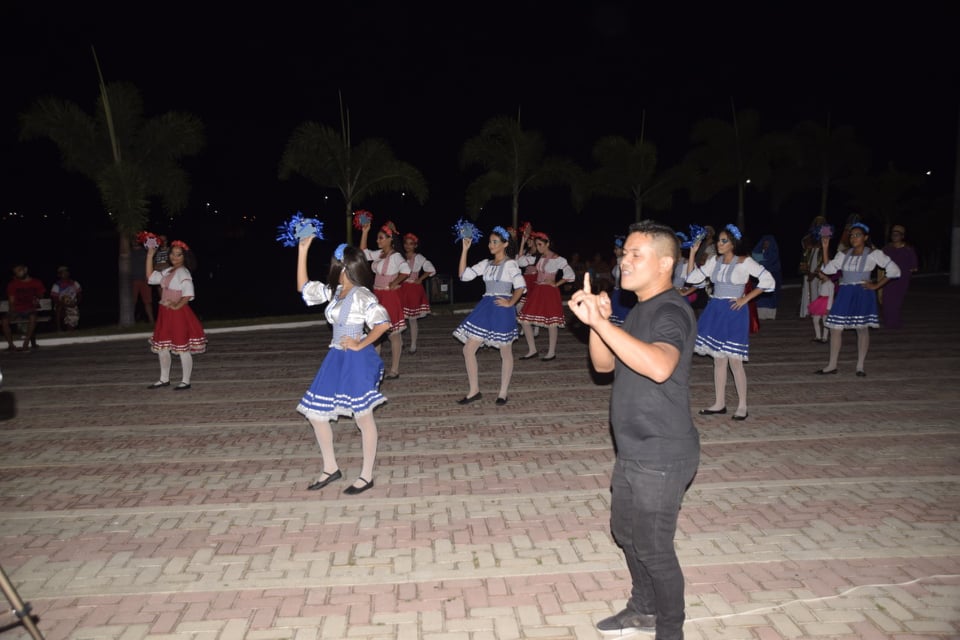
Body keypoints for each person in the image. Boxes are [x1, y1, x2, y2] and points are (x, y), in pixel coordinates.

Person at [568, 220, 699, 640]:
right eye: (624, 253)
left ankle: (670, 630)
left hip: (662, 452)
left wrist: (606, 325)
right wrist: (599, 323)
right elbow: (604, 365)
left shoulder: (671, 310)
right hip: (634, 449)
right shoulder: (640, 309)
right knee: (626, 533)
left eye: (636, 254)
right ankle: (643, 609)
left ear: (665, 263)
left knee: (655, 549)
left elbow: (660, 366)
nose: (624, 261)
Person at [296, 238, 390, 495]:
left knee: (363, 416)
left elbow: (383, 323)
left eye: (334, 264)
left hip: (356, 359)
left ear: (343, 267)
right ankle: (330, 468)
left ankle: (366, 475)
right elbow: (304, 288)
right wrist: (302, 250)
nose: (331, 268)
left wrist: (360, 344)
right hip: (336, 356)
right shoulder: (335, 291)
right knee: (316, 413)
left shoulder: (361, 294)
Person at [685, 224, 775, 420]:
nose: (719, 244)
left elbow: (768, 280)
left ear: (733, 243)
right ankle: (719, 403)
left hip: (734, 312)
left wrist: (745, 299)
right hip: (715, 310)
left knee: (735, 360)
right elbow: (692, 278)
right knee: (718, 360)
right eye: (719, 240)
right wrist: (692, 253)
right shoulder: (714, 261)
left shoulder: (744, 262)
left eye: (723, 241)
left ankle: (742, 405)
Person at [453, 225, 526, 405]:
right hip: (486, 307)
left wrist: (510, 302)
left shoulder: (510, 264)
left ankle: (503, 392)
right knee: (468, 349)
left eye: (495, 242)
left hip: (502, 309)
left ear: (505, 244)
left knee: (505, 351)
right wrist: (465, 250)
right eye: (490, 242)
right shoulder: (486, 264)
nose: (490, 245)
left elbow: (521, 286)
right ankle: (474, 391)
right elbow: (463, 276)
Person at [815, 222, 900, 376]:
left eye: (857, 235)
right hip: (845, 293)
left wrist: (876, 285)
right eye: (851, 235)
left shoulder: (873, 254)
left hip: (862, 293)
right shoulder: (844, 254)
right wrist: (825, 248)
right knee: (835, 328)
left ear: (865, 237)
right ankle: (832, 365)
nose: (853, 238)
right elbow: (828, 269)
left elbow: (894, 270)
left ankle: (860, 366)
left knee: (861, 328)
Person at [146, 240, 207, 390]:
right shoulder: (168, 270)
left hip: (177, 314)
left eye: (179, 255)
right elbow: (150, 278)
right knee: (163, 347)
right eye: (173, 254)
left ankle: (186, 381)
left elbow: (188, 293)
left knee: (182, 347)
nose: (174, 257)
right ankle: (164, 379)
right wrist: (150, 255)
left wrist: (176, 306)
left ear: (184, 257)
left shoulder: (183, 272)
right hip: (165, 312)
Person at [360, 220, 409, 380]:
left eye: (381, 238)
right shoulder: (380, 254)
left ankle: (394, 369)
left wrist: (394, 282)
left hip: (389, 296)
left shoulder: (396, 256)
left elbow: (406, 271)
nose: (377, 241)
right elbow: (363, 254)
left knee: (393, 333)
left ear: (390, 239)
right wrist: (365, 232)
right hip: (377, 295)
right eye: (377, 238)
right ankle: (375, 368)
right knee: (375, 332)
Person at [517, 231, 575, 361]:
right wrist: (523, 241)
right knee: (524, 319)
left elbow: (570, 274)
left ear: (547, 243)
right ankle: (532, 350)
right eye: (537, 245)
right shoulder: (538, 258)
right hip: (538, 290)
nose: (538, 247)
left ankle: (551, 352)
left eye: (540, 244)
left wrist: (556, 283)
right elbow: (520, 262)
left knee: (552, 322)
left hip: (549, 292)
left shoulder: (557, 258)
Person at [399, 232, 436, 354]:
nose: (408, 246)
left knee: (412, 319)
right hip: (401, 288)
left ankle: (413, 345)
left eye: (411, 244)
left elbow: (430, 269)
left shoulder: (419, 258)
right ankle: (400, 343)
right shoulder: (400, 256)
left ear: (415, 245)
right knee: (399, 317)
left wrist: (420, 279)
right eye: (406, 243)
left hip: (413, 290)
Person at [880, 223, 918, 329]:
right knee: (886, 300)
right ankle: (889, 322)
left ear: (902, 236)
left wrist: (906, 273)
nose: (895, 235)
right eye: (893, 233)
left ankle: (895, 322)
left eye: (897, 233)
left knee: (897, 301)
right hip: (888, 278)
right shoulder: (886, 248)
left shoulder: (908, 249)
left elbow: (914, 267)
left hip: (902, 280)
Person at [2, 263, 46, 351]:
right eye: (15, 272)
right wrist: (12, 312)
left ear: (25, 269)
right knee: (4, 321)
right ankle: (11, 345)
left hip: (30, 309)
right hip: (16, 309)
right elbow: (11, 301)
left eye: (19, 270)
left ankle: (26, 343)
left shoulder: (36, 282)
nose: (17, 274)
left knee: (33, 317)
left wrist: (37, 296)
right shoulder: (13, 284)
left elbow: (41, 295)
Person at [798, 216, 826, 319]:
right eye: (817, 222)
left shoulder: (826, 232)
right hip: (810, 260)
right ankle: (807, 311)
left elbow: (826, 247)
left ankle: (818, 312)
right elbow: (804, 243)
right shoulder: (809, 235)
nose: (819, 223)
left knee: (820, 287)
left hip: (821, 260)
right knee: (807, 286)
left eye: (821, 222)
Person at [751, 234, 781, 320]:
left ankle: (770, 315)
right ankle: (760, 315)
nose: (766, 244)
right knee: (760, 297)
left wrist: (761, 262)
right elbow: (753, 259)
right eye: (764, 242)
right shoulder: (758, 251)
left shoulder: (773, 252)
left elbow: (771, 263)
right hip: (760, 279)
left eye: (768, 243)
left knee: (770, 297)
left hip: (771, 278)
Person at [130, 239, 155, 324]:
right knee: (132, 302)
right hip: (132, 280)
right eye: (133, 239)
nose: (134, 241)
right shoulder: (129, 252)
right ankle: (130, 321)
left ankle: (151, 321)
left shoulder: (145, 251)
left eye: (136, 239)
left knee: (147, 301)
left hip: (145, 280)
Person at [50, 265, 82, 331]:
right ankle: (59, 329)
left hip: (72, 304)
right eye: (63, 273)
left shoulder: (74, 283)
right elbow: (55, 299)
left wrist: (76, 303)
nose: (65, 274)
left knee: (72, 314)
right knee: (59, 308)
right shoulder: (56, 285)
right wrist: (65, 304)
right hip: (61, 304)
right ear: (59, 275)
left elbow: (79, 295)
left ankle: (70, 330)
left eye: (66, 272)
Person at [808, 271, 835, 343]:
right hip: (820, 302)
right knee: (815, 320)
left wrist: (828, 308)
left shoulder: (830, 284)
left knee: (825, 321)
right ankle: (818, 336)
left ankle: (825, 337)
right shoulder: (820, 282)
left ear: (825, 273)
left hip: (826, 303)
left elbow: (831, 296)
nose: (819, 274)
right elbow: (819, 293)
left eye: (820, 273)